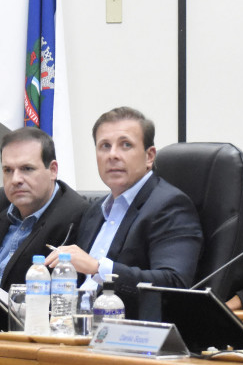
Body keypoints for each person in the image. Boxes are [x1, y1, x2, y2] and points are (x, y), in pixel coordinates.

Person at [47, 106, 202, 318]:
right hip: (76, 328)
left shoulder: (170, 205)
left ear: (149, 156)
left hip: (128, 336)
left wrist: (98, 268)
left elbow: (173, 284)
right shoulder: (94, 211)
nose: (112, 155)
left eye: (125, 145)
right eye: (104, 146)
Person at [0, 126, 88, 289]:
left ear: (53, 170)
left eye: (27, 169)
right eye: (8, 170)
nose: (16, 179)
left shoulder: (76, 216)